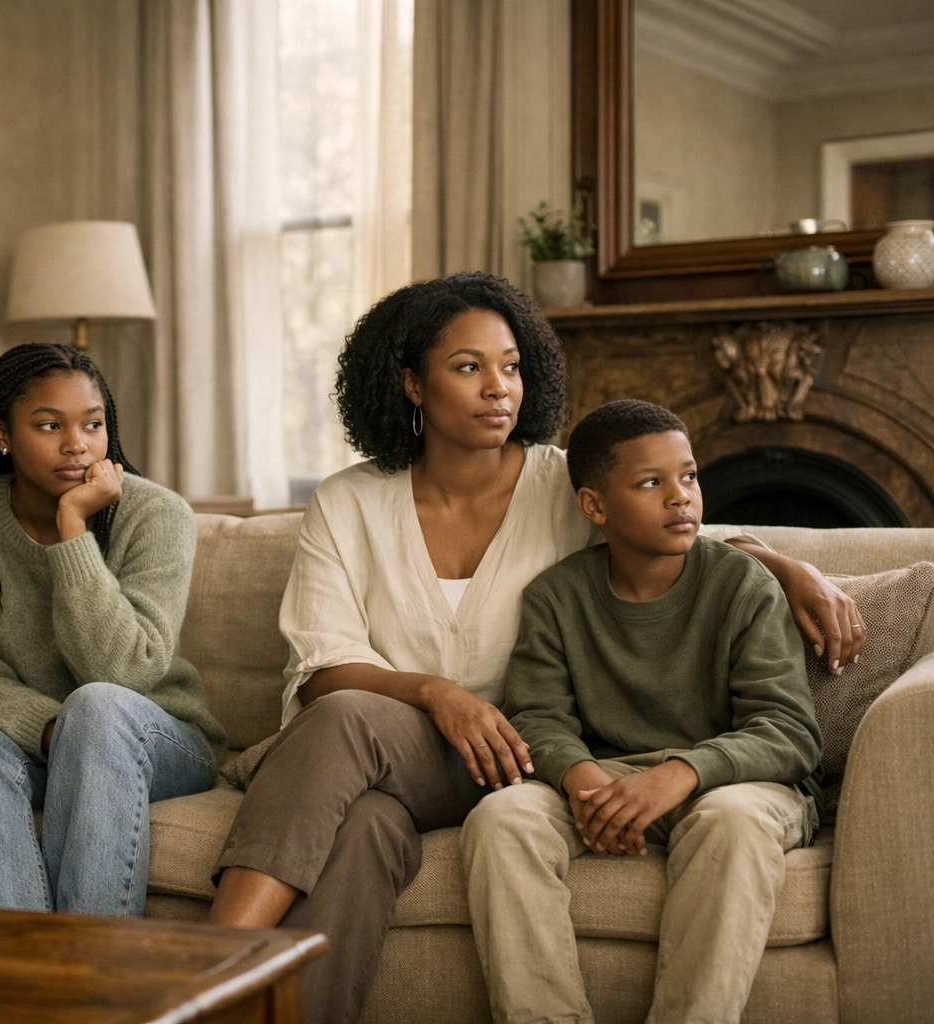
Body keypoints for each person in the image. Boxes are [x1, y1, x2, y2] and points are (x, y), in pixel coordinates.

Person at [205, 273, 861, 1024]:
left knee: (357, 767)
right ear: (412, 384)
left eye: (511, 366)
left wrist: (789, 566)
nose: (498, 389)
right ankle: (243, 993)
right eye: (468, 367)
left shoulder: (561, 487)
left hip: (525, 762)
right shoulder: (348, 502)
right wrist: (435, 693)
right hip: (397, 754)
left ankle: (200, 973)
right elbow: (320, 669)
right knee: (361, 801)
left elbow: (676, 535)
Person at [461, 399, 823, 1024]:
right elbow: (537, 717)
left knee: (732, 821)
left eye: (689, 476)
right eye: (652, 483)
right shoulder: (557, 596)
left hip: (733, 784)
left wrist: (680, 773)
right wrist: (583, 778)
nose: (681, 497)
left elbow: (789, 731)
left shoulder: (743, 585)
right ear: (594, 506)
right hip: (609, 783)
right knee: (503, 816)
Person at [0, 342, 226, 916]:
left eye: (93, 424)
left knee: (99, 707)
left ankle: (91, 973)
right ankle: (22, 984)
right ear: (2, 434)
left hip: (155, 739)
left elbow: (125, 672)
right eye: (50, 425)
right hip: (36, 741)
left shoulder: (156, 514)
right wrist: (53, 729)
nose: (77, 444)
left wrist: (73, 529)